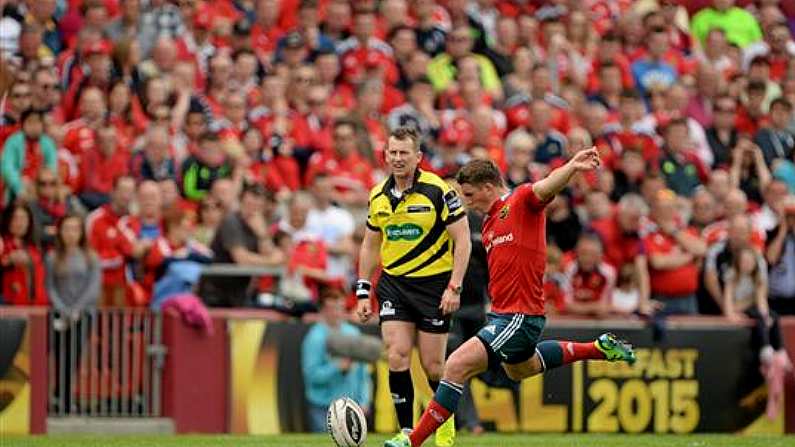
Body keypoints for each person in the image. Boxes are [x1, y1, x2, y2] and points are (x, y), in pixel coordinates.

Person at [383, 149, 636, 447]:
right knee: (521, 369)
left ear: (488, 187)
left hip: (519, 316)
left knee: (454, 366)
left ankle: (413, 442)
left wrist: (572, 166)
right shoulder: (489, 222)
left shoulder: (521, 200)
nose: (466, 201)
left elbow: (547, 185)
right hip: (503, 314)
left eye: (469, 194)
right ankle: (597, 348)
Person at [356, 127, 471, 447]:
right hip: (394, 285)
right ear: (385, 155)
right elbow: (369, 245)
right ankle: (406, 431)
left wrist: (454, 286)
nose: (397, 158)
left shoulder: (438, 190)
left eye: (403, 152)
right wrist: (363, 291)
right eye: (392, 152)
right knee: (396, 354)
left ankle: (445, 424)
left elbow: (462, 240)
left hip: (434, 286)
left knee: (434, 365)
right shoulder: (377, 194)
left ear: (418, 157)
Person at [301, 286, 372, 433]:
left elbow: (363, 373)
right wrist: (337, 367)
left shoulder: (353, 333)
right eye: (332, 308)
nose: (337, 312)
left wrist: (364, 400)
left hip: (351, 406)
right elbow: (312, 376)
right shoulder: (315, 338)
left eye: (340, 307)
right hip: (323, 408)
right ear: (322, 310)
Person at [45, 214, 101, 318]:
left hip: (84, 313)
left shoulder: (91, 257)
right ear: (60, 231)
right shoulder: (52, 257)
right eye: (66, 229)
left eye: (75, 229)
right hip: (59, 313)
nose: (71, 234)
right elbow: (50, 286)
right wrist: (62, 309)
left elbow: (93, 287)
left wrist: (77, 308)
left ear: (82, 232)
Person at [0, 203, 48, 305]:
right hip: (8, 302)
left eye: (23, 218)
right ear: (7, 220)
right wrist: (7, 261)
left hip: (36, 302)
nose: (19, 223)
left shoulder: (36, 246)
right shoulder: (2, 244)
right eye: (15, 218)